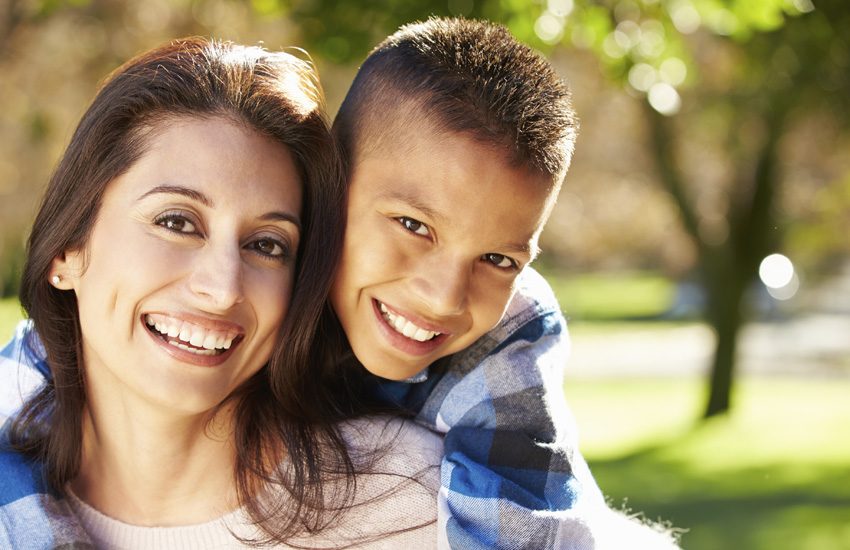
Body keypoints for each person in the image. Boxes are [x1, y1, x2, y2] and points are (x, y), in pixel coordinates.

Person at [0, 37, 442, 549]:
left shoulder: (406, 505)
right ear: (67, 251)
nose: (222, 288)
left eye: (267, 245)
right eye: (177, 222)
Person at [330, 17, 681, 549]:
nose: (444, 297)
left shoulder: (506, 339)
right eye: (414, 226)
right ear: (328, 182)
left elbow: (524, 534)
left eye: (496, 259)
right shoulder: (257, 277)